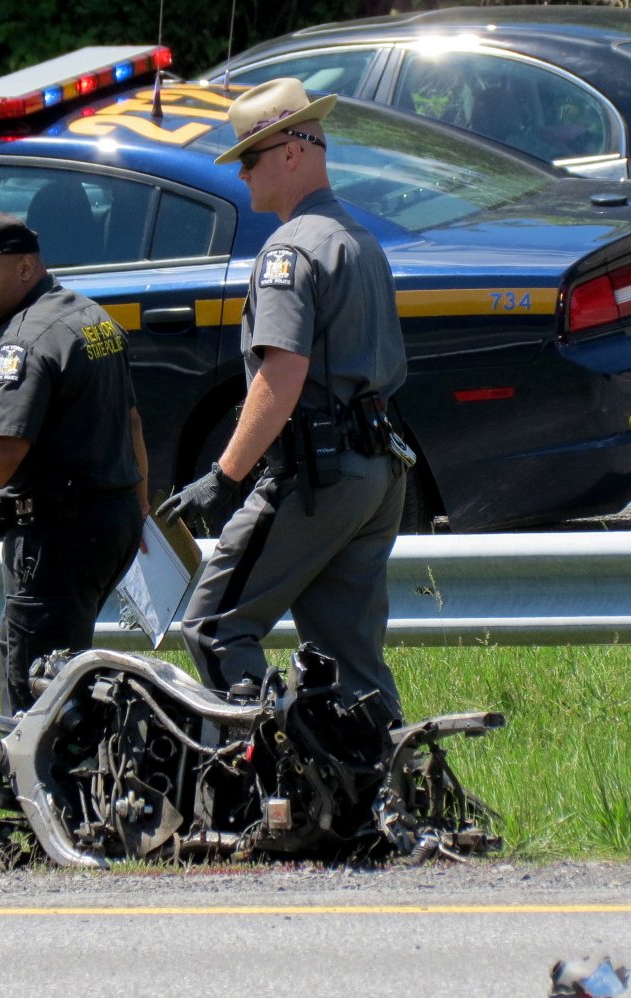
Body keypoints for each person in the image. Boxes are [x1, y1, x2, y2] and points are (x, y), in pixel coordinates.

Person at [158, 78, 411, 720]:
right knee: (348, 659)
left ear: (294, 152)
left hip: (317, 476)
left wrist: (225, 476)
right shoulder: (358, 238)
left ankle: (272, 775)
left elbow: (281, 376)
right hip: (378, 471)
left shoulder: (289, 250)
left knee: (214, 626)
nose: (241, 174)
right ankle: (381, 802)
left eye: (250, 157)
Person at [0, 212, 148, 714]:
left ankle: (50, 792)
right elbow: (132, 422)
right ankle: (92, 785)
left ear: (27, 267)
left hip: (58, 536)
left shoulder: (26, 341)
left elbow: (4, 449)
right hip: (111, 521)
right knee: (70, 680)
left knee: (36, 700)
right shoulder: (92, 318)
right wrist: (139, 505)